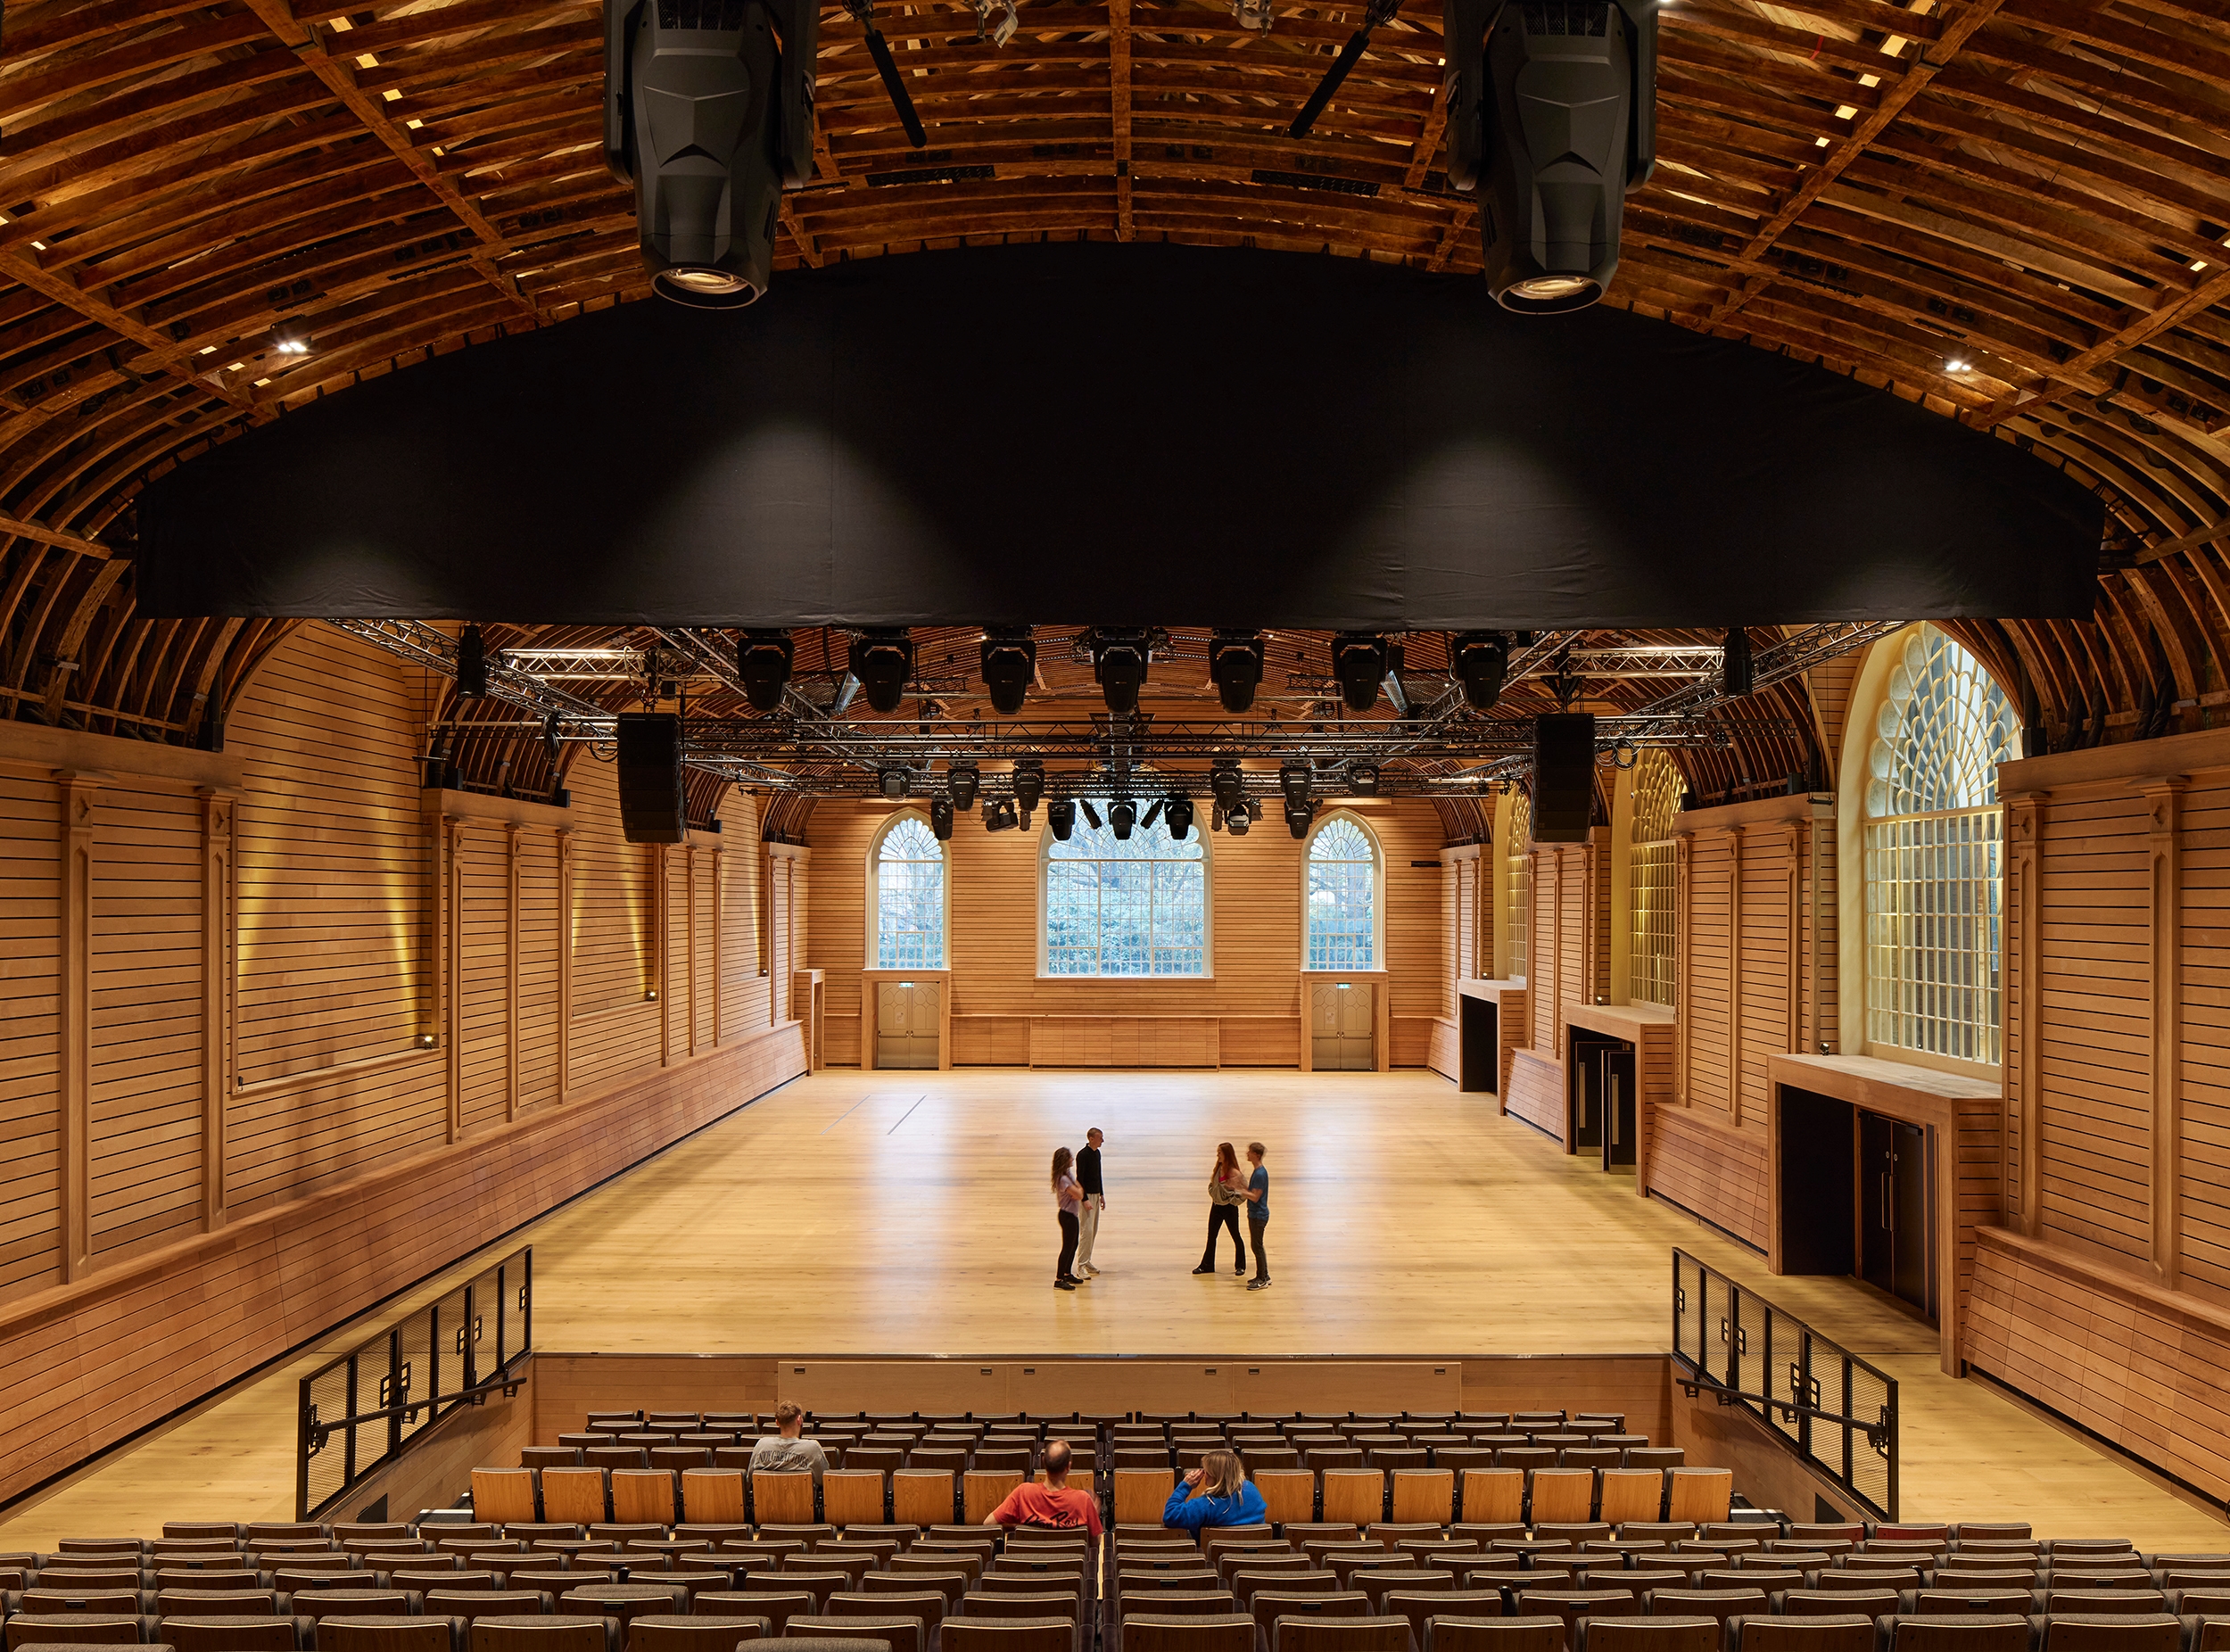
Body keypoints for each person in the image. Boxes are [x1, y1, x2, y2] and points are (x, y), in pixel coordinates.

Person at [982, 1438, 1103, 1535]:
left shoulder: (1023, 1493)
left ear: (1043, 1461)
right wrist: (1092, 1513)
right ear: (1068, 1466)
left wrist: (1018, 1528)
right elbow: (1095, 1542)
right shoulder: (1083, 1500)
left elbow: (988, 1524)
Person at [1161, 1448, 1268, 1531]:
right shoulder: (1252, 1490)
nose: (1204, 1475)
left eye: (1206, 1472)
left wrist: (1185, 1486)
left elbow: (1170, 1515)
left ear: (1216, 1476)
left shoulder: (1206, 1505)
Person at [1193, 1142, 1247, 1276]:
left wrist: (1232, 1201)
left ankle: (1240, 1266)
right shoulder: (1219, 1168)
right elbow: (1213, 1184)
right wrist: (1212, 1192)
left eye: (1219, 1153)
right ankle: (1207, 1265)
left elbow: (1244, 1191)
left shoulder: (1234, 1173)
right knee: (1211, 1236)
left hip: (1229, 1209)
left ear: (1226, 1154)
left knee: (1236, 1235)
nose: (1217, 1155)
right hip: (1216, 1207)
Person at [747, 1400, 829, 1484]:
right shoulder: (813, 1448)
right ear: (799, 1420)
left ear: (777, 1423)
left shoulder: (762, 1445)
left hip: (766, 1493)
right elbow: (825, 1481)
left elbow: (750, 1480)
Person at [1074, 1127, 1106, 1277]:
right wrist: (1085, 1199)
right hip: (1086, 1197)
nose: (1102, 1141)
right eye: (1100, 1138)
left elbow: (1098, 1175)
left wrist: (1101, 1194)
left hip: (1095, 1194)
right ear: (1091, 1139)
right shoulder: (1083, 1155)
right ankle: (1080, 1266)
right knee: (1086, 1231)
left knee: (1093, 1230)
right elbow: (1079, 1179)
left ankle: (1087, 1261)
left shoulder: (1097, 1153)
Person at [1053, 1146, 1084, 1290]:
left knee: (1074, 1244)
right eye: (1070, 1157)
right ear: (1065, 1160)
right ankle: (1059, 1279)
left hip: (1071, 1215)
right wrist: (1078, 1191)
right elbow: (1080, 1194)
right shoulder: (1064, 1179)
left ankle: (1067, 1273)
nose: (1072, 1159)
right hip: (1067, 1216)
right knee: (1067, 1247)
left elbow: (1078, 1190)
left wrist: (1078, 1191)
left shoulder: (1067, 1174)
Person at [1243, 1140, 1271, 1291]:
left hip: (1258, 1215)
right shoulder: (1258, 1171)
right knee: (1257, 1246)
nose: (1247, 1153)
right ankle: (1264, 1275)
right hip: (1256, 1214)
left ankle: (1262, 1279)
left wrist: (1239, 1191)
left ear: (1256, 1155)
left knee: (1257, 1246)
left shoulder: (1260, 1174)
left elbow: (1255, 1197)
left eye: (1250, 1151)